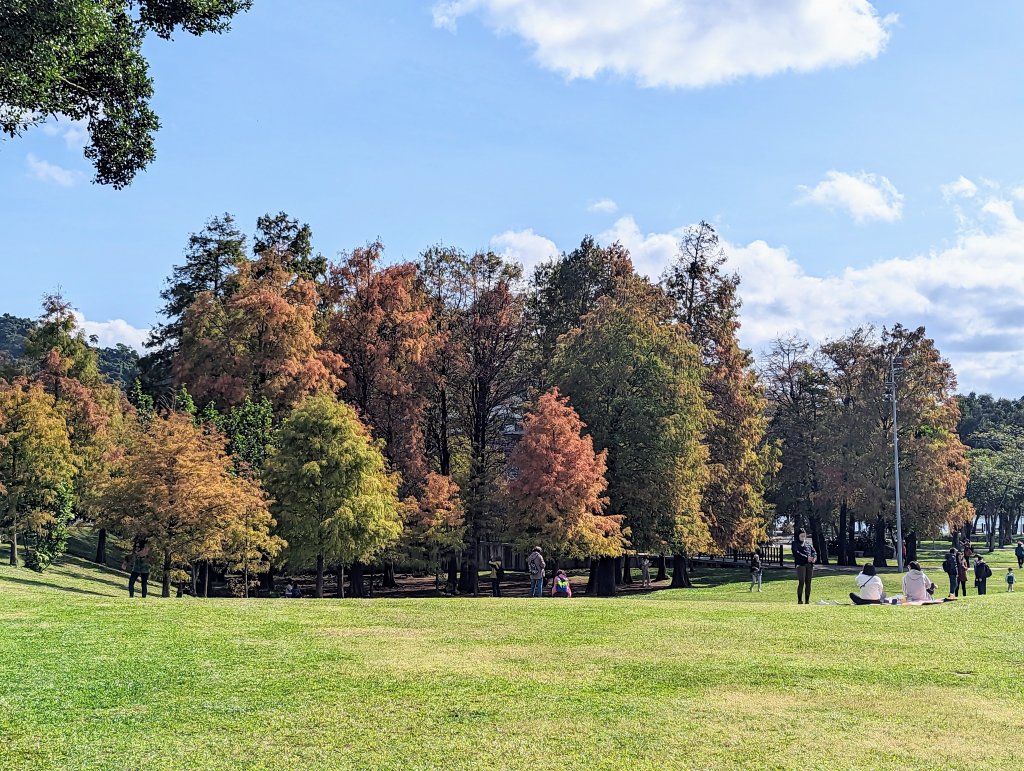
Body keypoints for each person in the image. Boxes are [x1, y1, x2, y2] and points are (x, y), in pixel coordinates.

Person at [791, 528, 817, 604]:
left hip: (809, 564)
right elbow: (796, 553)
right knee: (801, 581)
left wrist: (814, 558)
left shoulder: (808, 544)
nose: (803, 537)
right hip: (801, 564)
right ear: (798, 536)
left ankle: (807, 600)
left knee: (808, 582)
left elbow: (814, 552)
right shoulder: (795, 543)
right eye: (802, 536)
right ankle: (799, 600)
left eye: (804, 536)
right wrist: (806, 558)